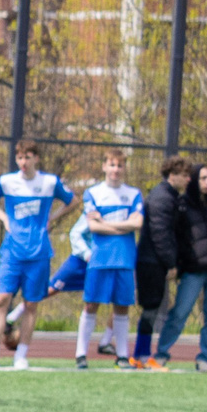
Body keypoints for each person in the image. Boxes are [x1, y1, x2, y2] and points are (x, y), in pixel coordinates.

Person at [0, 141, 72, 370]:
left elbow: (72, 201)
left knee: (31, 305)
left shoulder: (49, 183)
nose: (23, 162)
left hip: (38, 253)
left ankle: (21, 355)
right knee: (1, 300)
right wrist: (3, 217)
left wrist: (52, 217)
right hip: (12, 252)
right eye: (20, 157)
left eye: (28, 157)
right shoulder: (7, 181)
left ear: (36, 158)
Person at [75, 150, 144, 371]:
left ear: (125, 168)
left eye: (120, 165)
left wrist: (105, 223)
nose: (116, 170)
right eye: (112, 165)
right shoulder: (93, 193)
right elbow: (93, 227)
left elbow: (137, 224)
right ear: (104, 166)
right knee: (91, 304)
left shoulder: (133, 194)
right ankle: (81, 354)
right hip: (100, 258)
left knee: (122, 307)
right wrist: (123, 226)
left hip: (124, 258)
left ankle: (122, 355)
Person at [160, 160, 207, 369]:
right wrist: (176, 264)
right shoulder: (182, 205)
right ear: (193, 180)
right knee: (180, 313)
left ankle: (206, 357)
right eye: (203, 178)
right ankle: (162, 352)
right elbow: (176, 237)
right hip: (193, 269)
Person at [136, 158, 184, 367]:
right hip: (151, 261)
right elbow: (160, 234)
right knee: (150, 308)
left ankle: (141, 355)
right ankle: (141, 355)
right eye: (184, 175)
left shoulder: (168, 196)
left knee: (152, 307)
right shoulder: (162, 198)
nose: (188, 179)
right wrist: (171, 263)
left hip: (153, 260)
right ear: (172, 175)